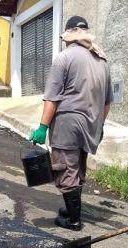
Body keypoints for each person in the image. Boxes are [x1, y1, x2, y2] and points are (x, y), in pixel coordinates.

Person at [29, 16, 113, 231]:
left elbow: (52, 98)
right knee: (78, 167)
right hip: (91, 125)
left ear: (68, 35)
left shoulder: (64, 57)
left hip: (68, 122)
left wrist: (42, 127)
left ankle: (74, 220)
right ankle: (70, 208)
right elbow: (107, 102)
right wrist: (100, 126)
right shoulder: (101, 59)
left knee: (65, 168)